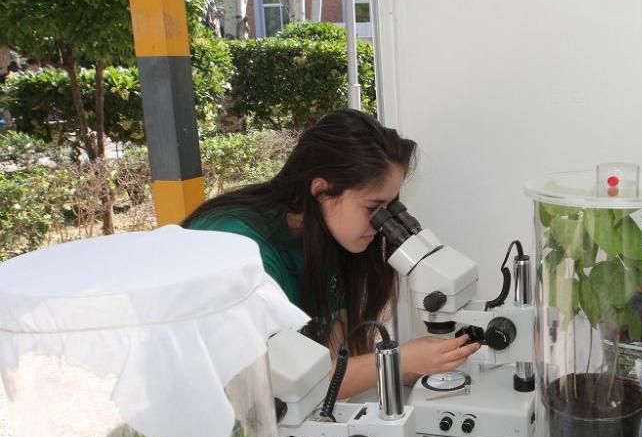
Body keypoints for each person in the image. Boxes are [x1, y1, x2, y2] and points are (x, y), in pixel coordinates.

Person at [183, 109, 480, 399]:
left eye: (389, 210)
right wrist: (400, 360)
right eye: (372, 209)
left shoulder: (326, 236)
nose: (382, 224)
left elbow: (337, 359)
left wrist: (426, 361)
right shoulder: (240, 246)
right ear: (321, 191)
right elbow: (277, 386)